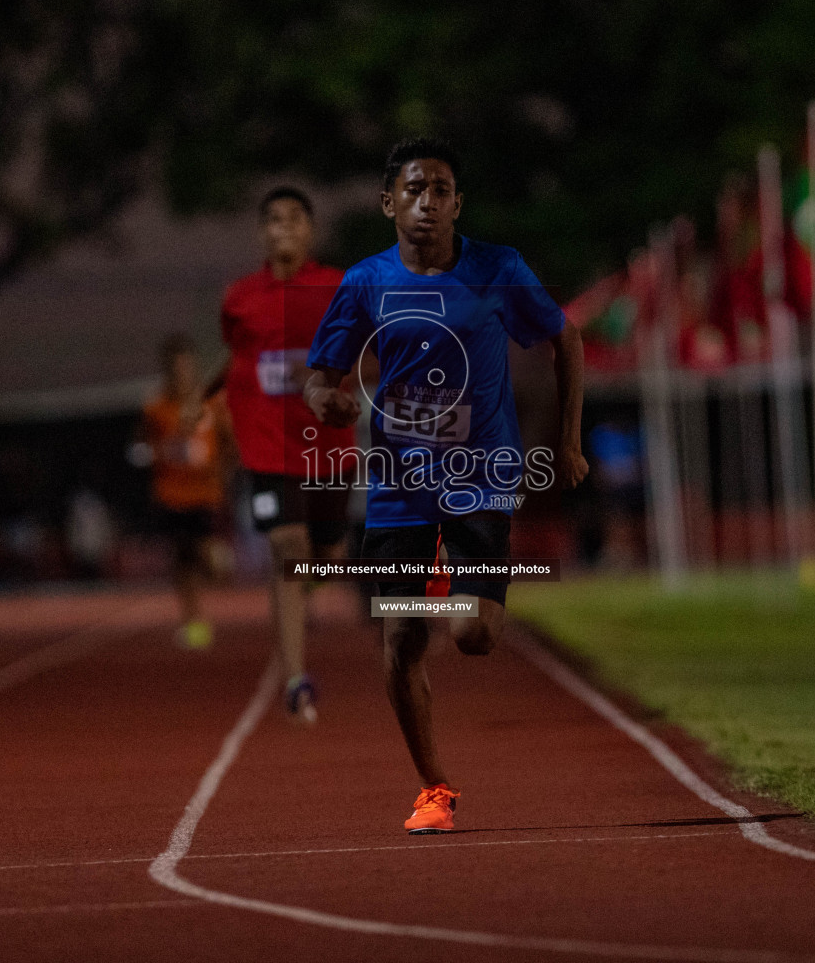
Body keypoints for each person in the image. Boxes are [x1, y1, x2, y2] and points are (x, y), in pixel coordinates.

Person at [304, 137, 587, 832]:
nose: (425, 202)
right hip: (399, 483)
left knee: (473, 635)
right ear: (387, 203)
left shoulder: (498, 269)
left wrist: (568, 439)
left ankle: (457, 589)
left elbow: (565, 340)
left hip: (481, 475)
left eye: (439, 190)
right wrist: (328, 402)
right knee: (400, 641)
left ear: (457, 203)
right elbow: (320, 377)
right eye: (412, 189)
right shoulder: (365, 282)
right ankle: (434, 790)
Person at [220, 187, 357, 723]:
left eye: (294, 219)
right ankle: (296, 678)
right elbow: (237, 358)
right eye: (273, 220)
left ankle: (300, 597)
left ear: (309, 230)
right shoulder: (240, 298)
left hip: (327, 447)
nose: (283, 228)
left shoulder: (337, 287)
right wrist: (211, 401)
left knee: (327, 558)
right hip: (267, 447)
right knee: (287, 548)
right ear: (262, 232)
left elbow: (369, 352)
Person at [139, 334, 235, 648]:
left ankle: (221, 565)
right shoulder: (155, 409)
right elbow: (148, 447)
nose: (182, 373)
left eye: (187, 367)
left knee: (207, 558)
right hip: (171, 494)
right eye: (176, 368)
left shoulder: (210, 405)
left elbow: (228, 443)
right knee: (182, 561)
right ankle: (194, 623)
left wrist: (223, 473)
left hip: (206, 493)